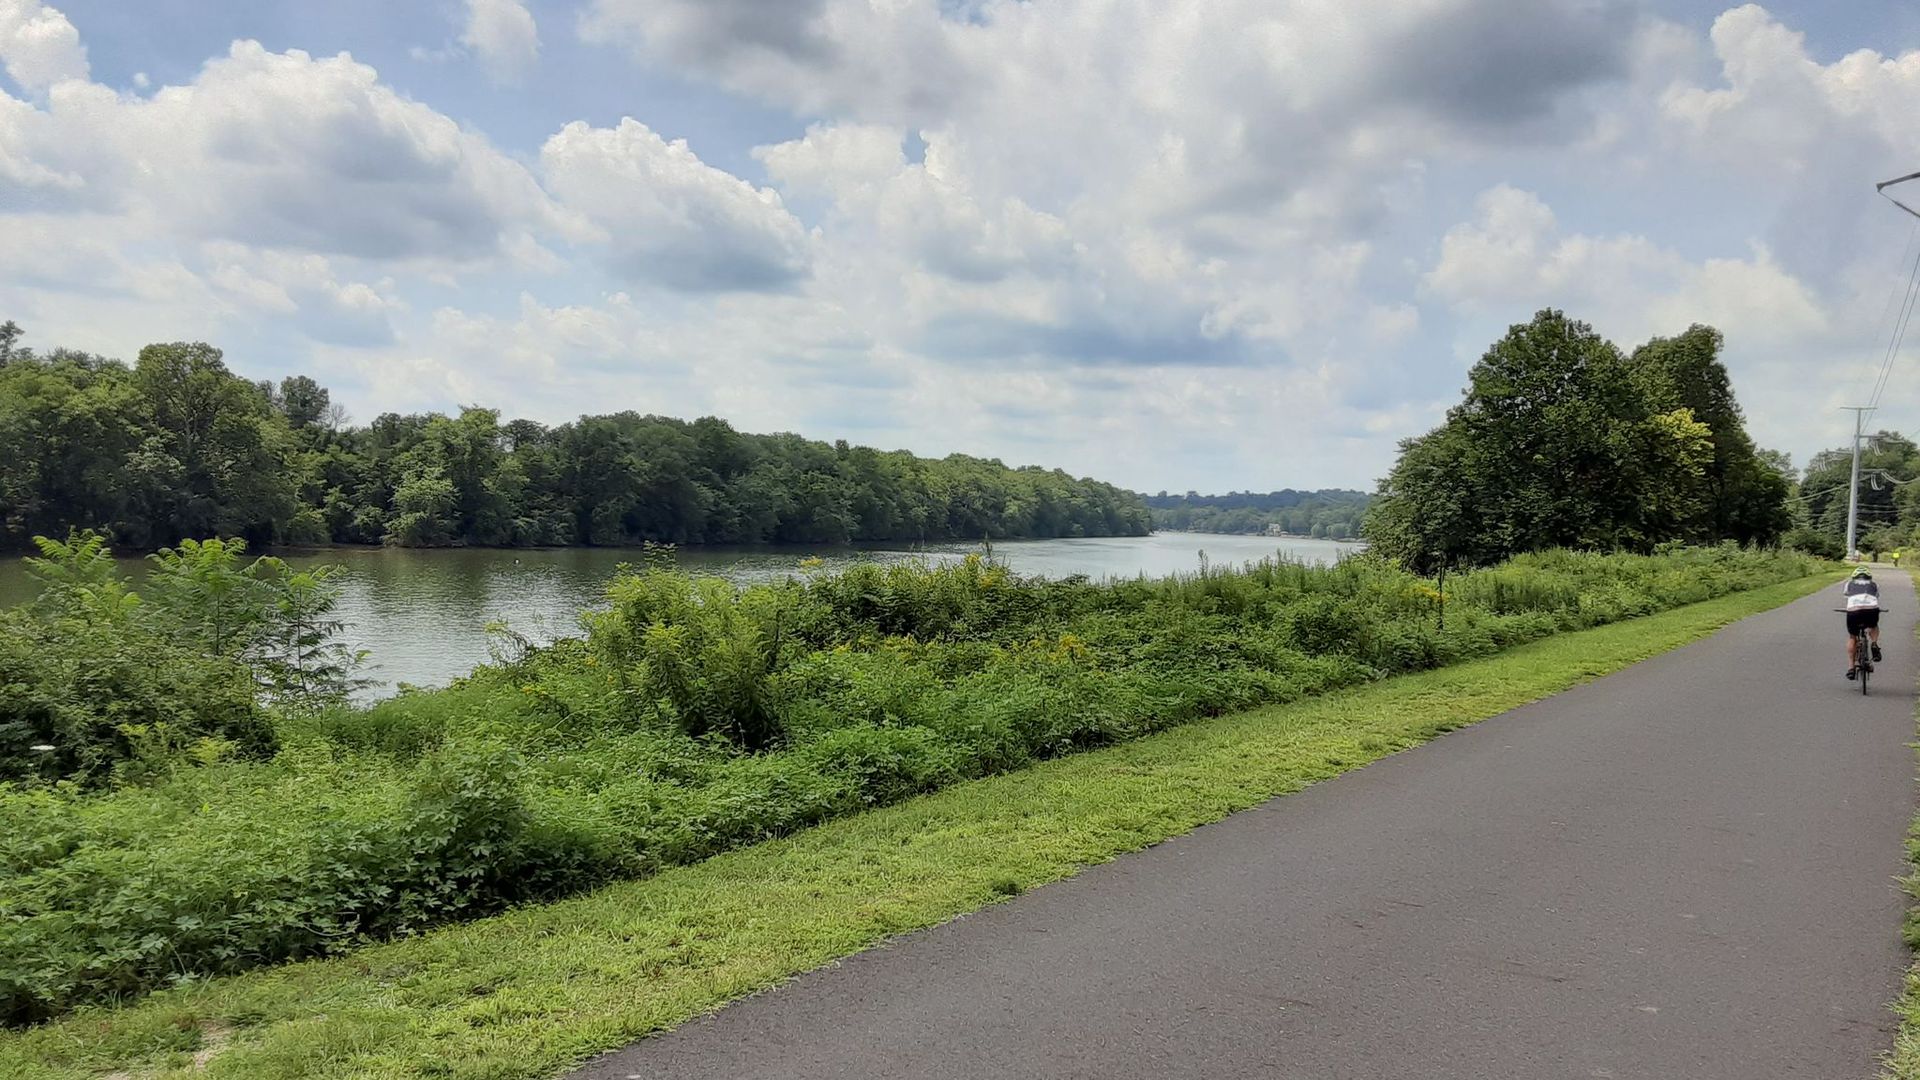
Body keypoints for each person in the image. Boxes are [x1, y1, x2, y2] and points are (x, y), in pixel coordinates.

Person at [1844, 566, 1883, 680]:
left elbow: (1847, 595)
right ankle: (1874, 644)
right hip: (1871, 610)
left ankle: (1851, 668)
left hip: (1854, 611)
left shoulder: (1849, 584)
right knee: (1873, 626)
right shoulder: (1874, 585)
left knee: (1852, 636)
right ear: (1869, 577)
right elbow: (1876, 596)